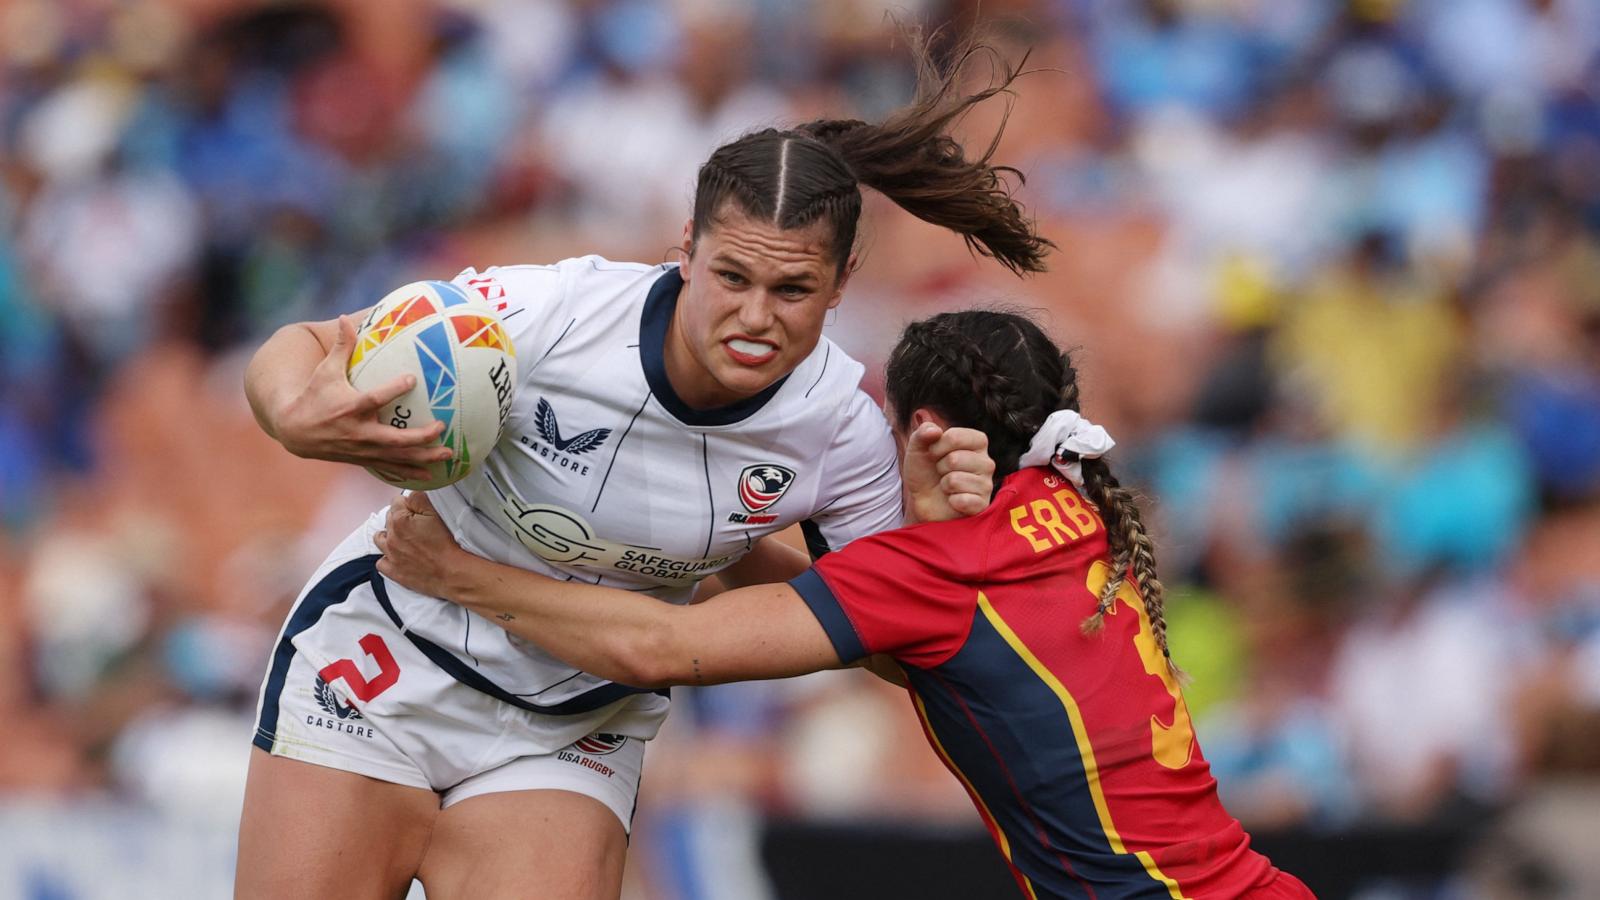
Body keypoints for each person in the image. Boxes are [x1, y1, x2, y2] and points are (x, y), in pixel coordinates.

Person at [236, 39, 1047, 900]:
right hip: (383, 660)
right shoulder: (554, 313)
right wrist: (291, 411)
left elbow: (888, 646)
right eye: (730, 276)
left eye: (793, 291)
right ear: (686, 246)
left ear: (844, 280)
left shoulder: (840, 435)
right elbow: (317, 342)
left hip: (572, 726)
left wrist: (934, 543)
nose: (754, 317)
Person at [377, 310, 1318, 899]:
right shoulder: (1073, 504)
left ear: (921, 428)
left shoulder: (937, 571)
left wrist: (459, 573)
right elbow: (900, 619)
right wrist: (731, 539)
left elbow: (662, 648)